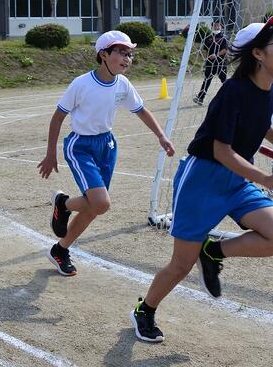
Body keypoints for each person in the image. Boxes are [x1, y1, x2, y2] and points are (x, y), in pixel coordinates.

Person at [130, 16, 273, 343]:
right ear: (257, 54)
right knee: (181, 265)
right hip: (202, 180)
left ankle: (213, 252)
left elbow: (262, 123)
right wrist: (265, 178)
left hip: (236, 181)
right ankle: (145, 309)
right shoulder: (232, 91)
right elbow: (221, 151)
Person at [37, 30, 176, 276]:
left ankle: (60, 249)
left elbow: (141, 110)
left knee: (94, 207)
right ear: (103, 55)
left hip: (107, 145)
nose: (127, 58)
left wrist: (161, 136)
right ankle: (63, 204)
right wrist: (51, 154)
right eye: (121, 52)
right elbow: (57, 117)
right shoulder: (81, 84)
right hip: (80, 146)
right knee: (101, 203)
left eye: (130, 54)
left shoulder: (123, 84)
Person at [193, 21, 229, 105]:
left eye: (218, 25)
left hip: (220, 63)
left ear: (221, 27)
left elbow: (225, 50)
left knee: (224, 81)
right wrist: (206, 59)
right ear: (212, 27)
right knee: (207, 80)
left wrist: (216, 55)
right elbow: (206, 50)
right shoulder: (208, 38)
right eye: (215, 25)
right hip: (210, 63)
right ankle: (200, 98)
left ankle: (231, 97)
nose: (216, 27)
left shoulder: (224, 37)